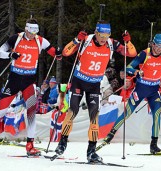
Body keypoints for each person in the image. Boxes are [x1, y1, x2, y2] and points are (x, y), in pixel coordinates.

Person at [54, 21, 137, 162]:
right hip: (79, 81)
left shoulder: (111, 44)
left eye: (107, 35)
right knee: (72, 111)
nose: (104, 38)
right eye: (101, 35)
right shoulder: (86, 40)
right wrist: (77, 39)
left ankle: (91, 152)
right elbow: (65, 52)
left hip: (94, 85)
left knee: (94, 117)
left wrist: (128, 42)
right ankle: (62, 143)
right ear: (96, 33)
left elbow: (131, 53)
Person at [0, 18, 62, 156]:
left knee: (31, 112)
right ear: (26, 29)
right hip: (14, 80)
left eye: (35, 32)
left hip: (29, 82)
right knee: (2, 109)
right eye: (30, 31)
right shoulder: (15, 38)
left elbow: (55, 54)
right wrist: (10, 54)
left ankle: (30, 144)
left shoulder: (41, 41)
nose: (32, 35)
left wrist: (58, 53)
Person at [101, 33, 161, 154]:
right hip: (141, 89)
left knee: (157, 114)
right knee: (127, 113)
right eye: (157, 45)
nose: (159, 48)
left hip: (153, 91)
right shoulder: (144, 54)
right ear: (153, 44)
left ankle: (154, 145)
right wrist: (136, 71)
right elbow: (128, 67)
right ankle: (109, 136)